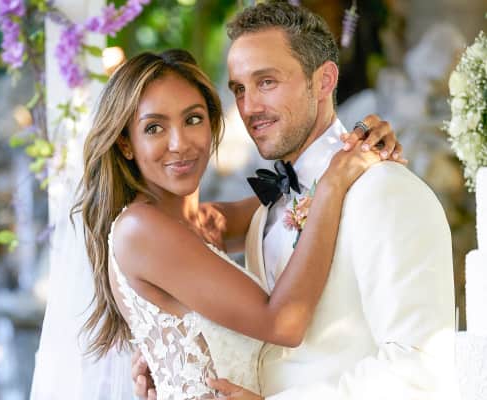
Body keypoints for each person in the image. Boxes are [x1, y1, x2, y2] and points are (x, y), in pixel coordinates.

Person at [134, 2, 458, 400]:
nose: (249, 107)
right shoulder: (266, 206)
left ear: (323, 81)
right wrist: (175, 355)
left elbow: (420, 371)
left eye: (266, 82)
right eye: (239, 89)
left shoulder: (386, 192)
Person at [70, 45, 403, 400]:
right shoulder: (141, 230)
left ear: (212, 124)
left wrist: (357, 143)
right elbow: (284, 324)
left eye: (193, 119)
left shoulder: (206, 222)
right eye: (154, 128)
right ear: (125, 143)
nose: (179, 143)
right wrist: (333, 183)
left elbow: (296, 197)